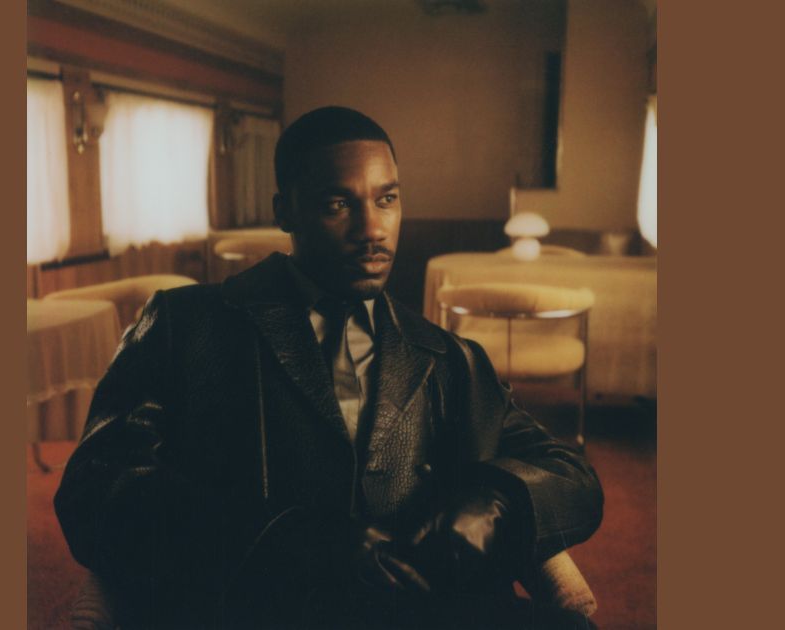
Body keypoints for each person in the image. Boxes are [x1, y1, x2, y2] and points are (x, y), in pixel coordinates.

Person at [54, 106, 604, 629]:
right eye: (338, 204)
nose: (372, 228)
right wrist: (293, 541)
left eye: (386, 199)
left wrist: (496, 506)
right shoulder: (185, 325)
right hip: (249, 609)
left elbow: (570, 476)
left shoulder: (449, 358)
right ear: (284, 212)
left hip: (419, 612)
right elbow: (94, 488)